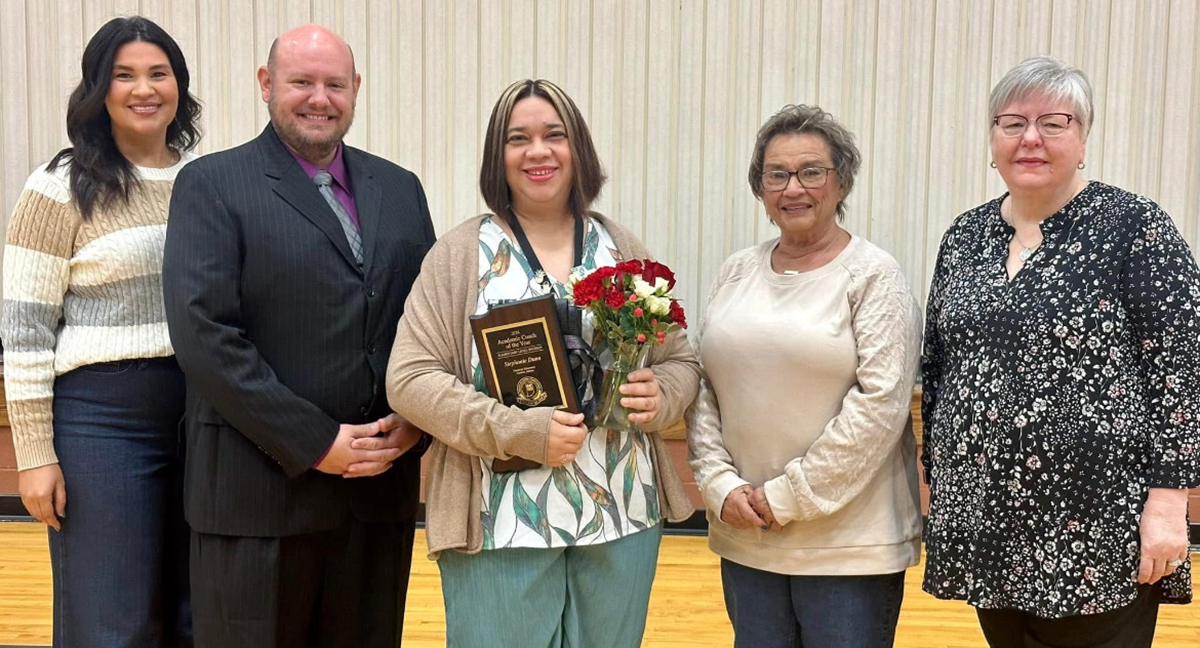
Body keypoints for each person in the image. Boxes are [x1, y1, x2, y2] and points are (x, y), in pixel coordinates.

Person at [385, 78, 699, 648]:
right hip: (500, 520)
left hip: (622, 514)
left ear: (578, 148)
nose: (538, 151)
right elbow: (409, 379)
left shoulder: (620, 247)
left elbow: (680, 360)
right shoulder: (460, 254)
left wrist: (663, 394)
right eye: (518, 138)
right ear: (497, 156)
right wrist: (517, 431)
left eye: (554, 135)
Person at [161, 25, 435, 648]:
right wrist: (315, 441)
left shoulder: (400, 189)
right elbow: (205, 337)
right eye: (301, 82)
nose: (319, 98)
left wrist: (415, 419)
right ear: (266, 84)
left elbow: (426, 322)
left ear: (356, 88)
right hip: (257, 500)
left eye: (335, 84)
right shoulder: (212, 185)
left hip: (376, 495)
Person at [921, 56, 1199, 648]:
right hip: (985, 520)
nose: (1030, 139)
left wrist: (1169, 503)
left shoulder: (1134, 228)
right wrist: (940, 485)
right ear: (993, 139)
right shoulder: (965, 236)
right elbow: (939, 367)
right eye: (1012, 123)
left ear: (1083, 139)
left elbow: (1182, 371)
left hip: (1096, 526)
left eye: (1054, 123)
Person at [686, 104, 923, 648]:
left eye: (811, 171)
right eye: (777, 174)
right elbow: (703, 386)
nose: (793, 188)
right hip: (745, 534)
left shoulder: (874, 276)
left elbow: (881, 404)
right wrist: (719, 486)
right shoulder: (736, 270)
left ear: (842, 182)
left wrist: (789, 497)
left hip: (848, 547)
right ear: (760, 188)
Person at [1, 15, 200, 647]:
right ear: (97, 89)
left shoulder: (204, 182)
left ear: (178, 85)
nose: (144, 89)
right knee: (112, 620)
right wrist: (34, 455)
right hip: (103, 421)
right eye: (123, 75)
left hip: (202, 414)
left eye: (158, 73)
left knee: (194, 615)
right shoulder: (58, 187)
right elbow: (25, 331)